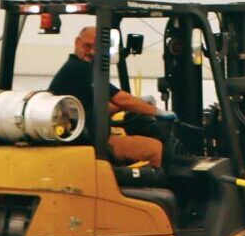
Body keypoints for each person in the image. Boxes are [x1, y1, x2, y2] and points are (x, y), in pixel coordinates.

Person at [50, 26, 165, 165]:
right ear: (77, 42)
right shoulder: (79, 68)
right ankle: (154, 186)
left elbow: (99, 108)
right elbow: (122, 99)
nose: (92, 51)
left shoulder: (78, 68)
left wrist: (137, 103)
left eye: (97, 47)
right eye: (87, 45)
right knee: (155, 148)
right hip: (93, 141)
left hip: (87, 136)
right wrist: (159, 112)